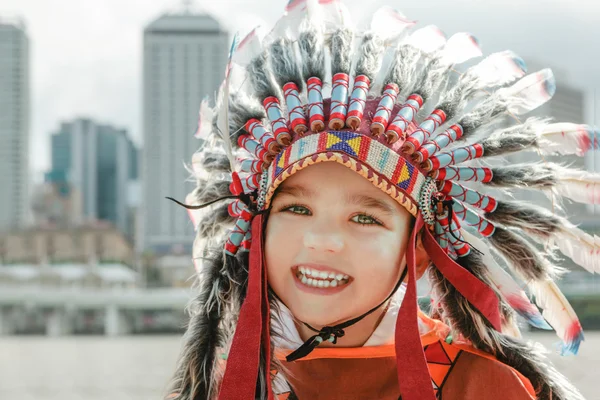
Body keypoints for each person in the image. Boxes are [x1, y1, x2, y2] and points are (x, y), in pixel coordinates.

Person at [165, 1, 598, 398]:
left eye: (365, 219)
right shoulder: (233, 382)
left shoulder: (483, 387)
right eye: (297, 209)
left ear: (420, 254)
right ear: (256, 233)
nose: (322, 239)